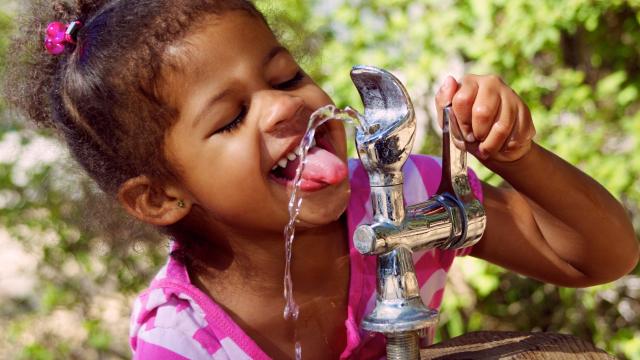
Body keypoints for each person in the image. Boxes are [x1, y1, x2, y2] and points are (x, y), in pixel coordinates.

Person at [4, 0, 638, 359]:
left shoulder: (401, 200)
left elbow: (598, 257)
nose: (285, 107)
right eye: (230, 119)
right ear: (162, 195)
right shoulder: (183, 340)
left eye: (284, 78)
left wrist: (513, 153)